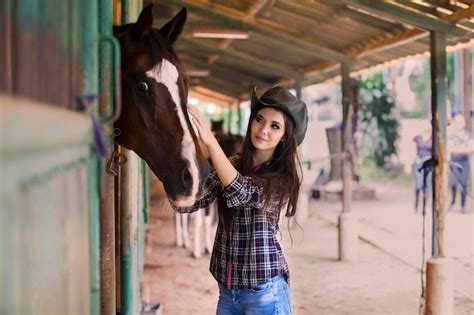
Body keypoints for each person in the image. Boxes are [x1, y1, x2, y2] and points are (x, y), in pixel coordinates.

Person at [173, 86, 308, 315]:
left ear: (284, 135)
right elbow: (194, 200)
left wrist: (210, 141)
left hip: (264, 293)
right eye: (259, 119)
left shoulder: (282, 177)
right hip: (227, 292)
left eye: (275, 126)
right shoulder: (233, 163)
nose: (263, 130)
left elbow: (242, 192)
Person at [447, 114, 473, 213]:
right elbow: (450, 148)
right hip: (454, 162)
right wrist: (463, 149)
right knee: (453, 184)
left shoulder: (468, 135)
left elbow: (471, 148)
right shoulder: (452, 136)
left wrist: (458, 149)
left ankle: (463, 206)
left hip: (464, 162)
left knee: (464, 185)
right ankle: (453, 202)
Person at [411, 119, 432, 212]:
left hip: (429, 164)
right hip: (418, 163)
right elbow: (412, 151)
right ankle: (416, 203)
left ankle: (425, 206)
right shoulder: (417, 138)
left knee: (427, 185)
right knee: (418, 185)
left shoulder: (433, 138)